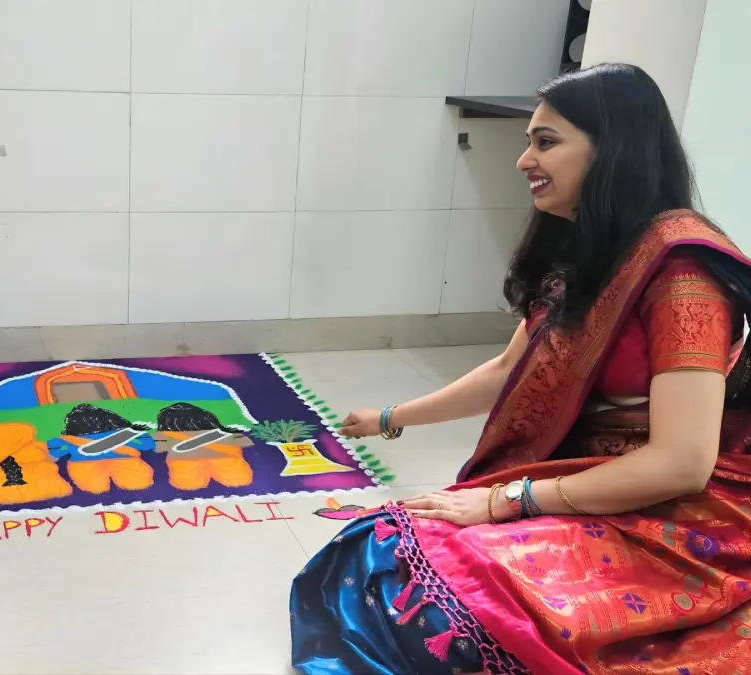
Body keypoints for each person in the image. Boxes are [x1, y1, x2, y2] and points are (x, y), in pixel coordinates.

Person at [291, 63, 751, 674]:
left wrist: (509, 500)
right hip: (584, 479)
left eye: (546, 142)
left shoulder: (682, 276)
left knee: (440, 606)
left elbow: (682, 464)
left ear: (614, 150)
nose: (523, 161)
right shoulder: (591, 250)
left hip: (679, 513)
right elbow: (511, 368)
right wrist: (389, 417)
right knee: (376, 548)